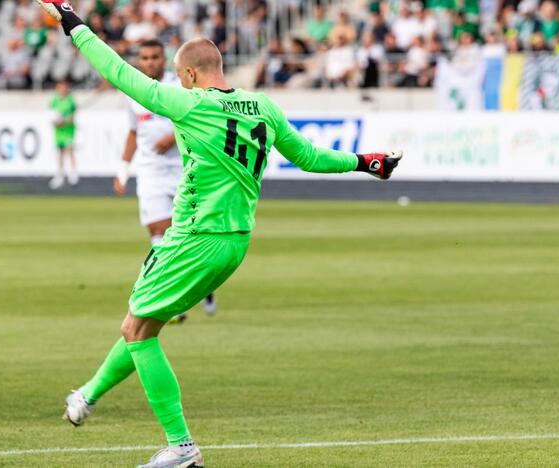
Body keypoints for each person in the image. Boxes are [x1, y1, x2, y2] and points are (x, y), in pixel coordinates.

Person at [37, 1, 403, 467]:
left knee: (137, 329)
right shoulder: (263, 106)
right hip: (235, 241)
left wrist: (72, 22)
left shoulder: (189, 104)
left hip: (195, 236)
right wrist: (366, 162)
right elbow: (310, 156)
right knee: (144, 324)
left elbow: (119, 73)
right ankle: (88, 395)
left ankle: (181, 446)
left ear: (189, 75)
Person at [113, 39, 217, 323]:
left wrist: (172, 137)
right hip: (150, 171)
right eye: (144, 57)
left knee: (190, 235)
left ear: (164, 59)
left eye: (154, 57)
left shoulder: (180, 84)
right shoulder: (133, 92)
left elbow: (199, 117)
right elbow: (133, 132)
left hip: (185, 167)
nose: (149, 62)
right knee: (158, 232)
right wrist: (123, 170)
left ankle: (200, 286)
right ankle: (172, 300)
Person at [48, 80, 78, 189]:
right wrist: (55, 122)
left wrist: (64, 121)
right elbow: (51, 114)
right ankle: (60, 175)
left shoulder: (70, 100)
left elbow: (72, 117)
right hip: (59, 131)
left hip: (68, 130)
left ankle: (73, 173)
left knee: (69, 150)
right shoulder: (55, 100)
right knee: (60, 152)